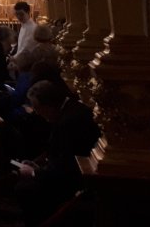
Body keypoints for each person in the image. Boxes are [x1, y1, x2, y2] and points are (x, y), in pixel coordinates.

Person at [16, 81, 100, 225]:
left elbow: (65, 168)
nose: (36, 112)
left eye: (38, 108)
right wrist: (38, 164)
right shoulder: (71, 108)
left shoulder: (68, 123)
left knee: (25, 189)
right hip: (71, 171)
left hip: (75, 182)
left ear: (49, 105)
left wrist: (34, 172)